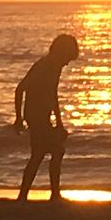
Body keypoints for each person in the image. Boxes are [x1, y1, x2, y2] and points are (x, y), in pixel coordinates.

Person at [13, 34, 79, 202]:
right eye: (68, 58)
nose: (67, 63)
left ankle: (25, 196)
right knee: (55, 151)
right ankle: (51, 194)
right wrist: (19, 118)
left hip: (42, 116)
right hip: (35, 116)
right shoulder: (45, 66)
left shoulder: (54, 66)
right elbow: (20, 89)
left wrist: (59, 122)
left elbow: (52, 95)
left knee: (40, 155)